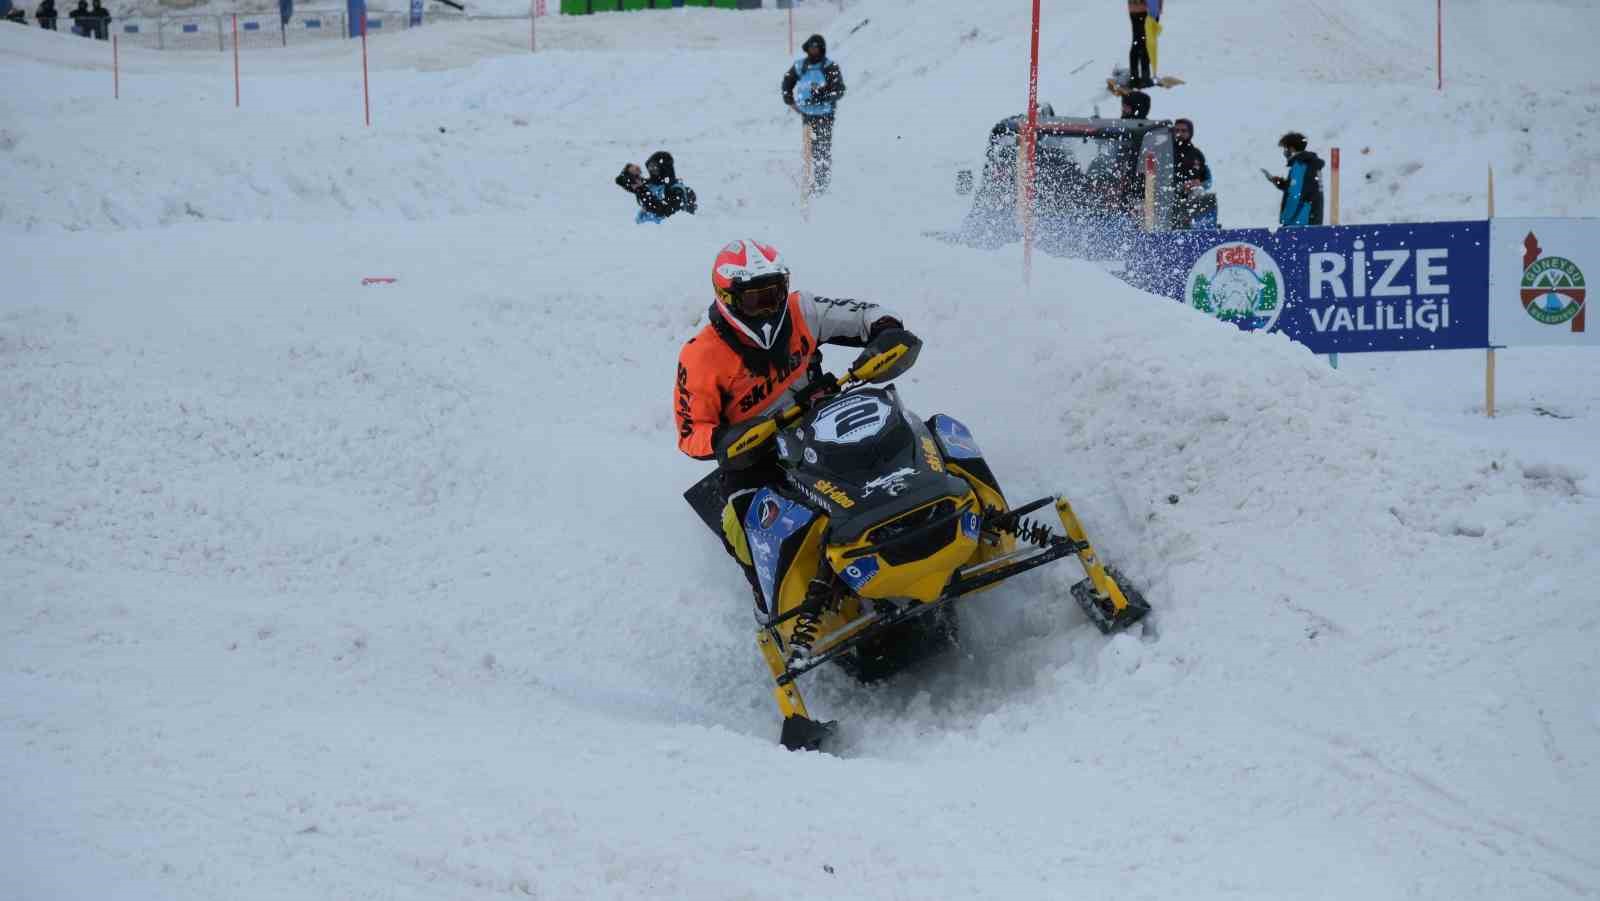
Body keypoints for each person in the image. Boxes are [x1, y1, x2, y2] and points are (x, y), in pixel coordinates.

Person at [674, 239, 914, 658]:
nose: (768, 306)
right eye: (756, 298)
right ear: (729, 299)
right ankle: (773, 611)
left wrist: (886, 333)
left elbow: (865, 316)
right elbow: (690, 431)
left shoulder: (804, 309)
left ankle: (972, 519)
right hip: (755, 454)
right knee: (743, 522)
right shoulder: (700, 356)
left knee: (907, 434)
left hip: (821, 420)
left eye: (774, 293)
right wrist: (725, 441)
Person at [781, 34, 846, 196]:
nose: (814, 50)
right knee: (809, 149)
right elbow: (787, 80)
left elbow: (839, 89)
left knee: (822, 149)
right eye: (811, 47)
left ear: (822, 48)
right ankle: (809, 182)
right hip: (807, 114)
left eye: (817, 47)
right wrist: (788, 96)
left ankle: (822, 185)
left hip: (825, 114)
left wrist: (823, 95)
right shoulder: (800, 66)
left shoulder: (829, 67)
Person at [614, 151, 696, 225]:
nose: (652, 171)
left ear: (665, 169)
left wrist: (642, 190)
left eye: (655, 168)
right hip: (642, 230)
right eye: (650, 168)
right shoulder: (650, 184)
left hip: (662, 236)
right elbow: (621, 181)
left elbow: (664, 212)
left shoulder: (676, 190)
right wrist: (629, 171)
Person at [1264, 131, 1324, 227]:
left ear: (1291, 148)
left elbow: (1295, 195)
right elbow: (1304, 188)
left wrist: (1286, 220)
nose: (1284, 152)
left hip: (1299, 222)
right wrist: (1281, 183)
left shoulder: (1300, 165)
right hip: (1312, 219)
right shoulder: (1310, 163)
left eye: (1285, 148)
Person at [1171, 118, 1218, 229]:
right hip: (1170, 195)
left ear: (1190, 133)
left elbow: (1208, 179)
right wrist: (1180, 186)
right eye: (1177, 130)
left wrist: (1199, 184)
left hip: (1192, 195)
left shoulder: (1197, 154)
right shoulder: (1166, 152)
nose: (1179, 134)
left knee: (1205, 196)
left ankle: (1203, 230)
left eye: (1183, 131)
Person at [1126, 1, 1153, 89]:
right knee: (1143, 44)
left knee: (1137, 42)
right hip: (1144, 9)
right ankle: (1145, 79)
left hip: (1134, 9)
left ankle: (1134, 78)